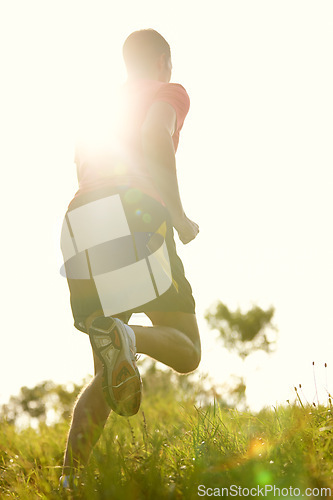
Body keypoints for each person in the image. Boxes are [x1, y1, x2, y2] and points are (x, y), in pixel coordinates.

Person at [59, 28, 201, 487]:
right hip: (131, 213)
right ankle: (129, 336)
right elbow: (154, 134)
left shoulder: (100, 106)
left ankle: (68, 484)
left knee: (108, 372)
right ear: (163, 60)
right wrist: (177, 214)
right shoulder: (169, 91)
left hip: (79, 224)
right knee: (187, 349)